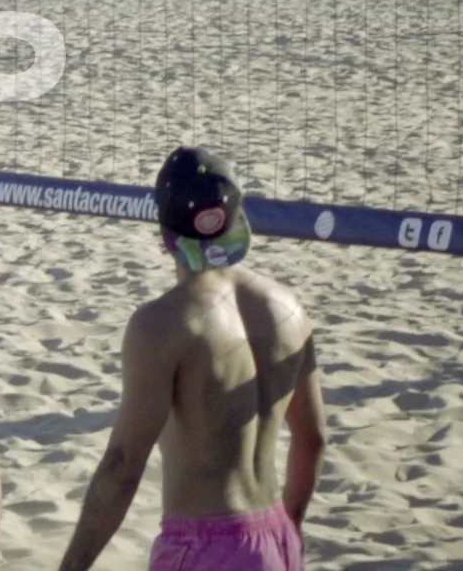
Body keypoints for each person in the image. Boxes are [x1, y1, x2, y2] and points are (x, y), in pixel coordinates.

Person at [56, 147, 326, 571]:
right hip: (277, 535)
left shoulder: (162, 325)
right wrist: (289, 526)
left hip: (207, 545)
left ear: (165, 234)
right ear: (237, 218)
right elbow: (313, 440)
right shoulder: (289, 306)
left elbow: (122, 466)